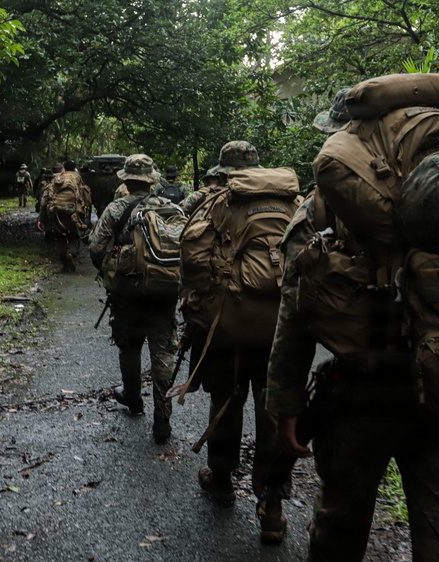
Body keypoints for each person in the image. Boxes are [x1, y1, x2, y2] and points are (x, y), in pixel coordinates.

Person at [267, 88, 439, 560]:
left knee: (341, 521)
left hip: (361, 395)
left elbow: (296, 311)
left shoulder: (324, 207)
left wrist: (285, 404)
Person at [176, 141, 295, 545]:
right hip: (281, 331)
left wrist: (198, 311)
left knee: (226, 400)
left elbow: (191, 262)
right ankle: (272, 505)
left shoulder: (215, 203)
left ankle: (222, 479)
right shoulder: (291, 203)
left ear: (224, 169)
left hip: (226, 326)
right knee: (273, 410)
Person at [88, 154, 179, 444]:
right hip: (164, 291)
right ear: (153, 180)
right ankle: (162, 420)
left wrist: (112, 270)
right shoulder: (170, 207)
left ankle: (133, 398)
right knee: (163, 352)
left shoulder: (116, 208)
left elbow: (96, 248)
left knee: (129, 346)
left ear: (126, 180)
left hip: (127, 293)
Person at [38, 162, 91, 271]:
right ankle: (71, 253)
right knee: (74, 235)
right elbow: (85, 194)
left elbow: (44, 200)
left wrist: (41, 219)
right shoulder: (76, 177)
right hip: (73, 211)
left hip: (56, 211)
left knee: (60, 237)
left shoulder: (55, 180)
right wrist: (85, 212)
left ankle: (64, 264)